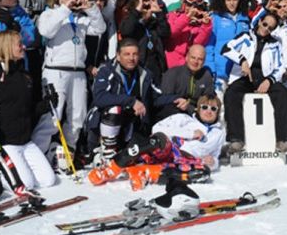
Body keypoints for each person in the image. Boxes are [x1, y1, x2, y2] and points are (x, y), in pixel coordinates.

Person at [0, 31, 58, 190]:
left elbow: (28, 110)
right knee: (26, 183)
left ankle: (13, 172)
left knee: (48, 180)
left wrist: (46, 105)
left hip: (25, 142)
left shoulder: (25, 76)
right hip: (4, 144)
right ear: (6, 47)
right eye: (19, 44)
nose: (24, 47)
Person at [93, 95, 225, 190]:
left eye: (213, 109)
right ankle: (113, 167)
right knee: (158, 139)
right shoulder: (184, 119)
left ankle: (146, 172)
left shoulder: (219, 133)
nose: (208, 111)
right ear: (198, 109)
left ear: (218, 112)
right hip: (169, 149)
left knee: (203, 173)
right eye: (205, 107)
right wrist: (190, 134)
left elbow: (215, 156)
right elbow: (157, 129)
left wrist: (213, 162)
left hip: (187, 160)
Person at [36, 0, 106, 152]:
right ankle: (39, 151)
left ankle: (69, 151)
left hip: (78, 72)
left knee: (78, 116)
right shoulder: (50, 14)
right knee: (52, 116)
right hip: (56, 71)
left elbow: (100, 29)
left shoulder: (81, 19)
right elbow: (46, 31)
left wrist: (91, 8)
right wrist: (64, 9)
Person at [86, 39, 172, 167]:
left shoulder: (144, 73)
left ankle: (122, 155)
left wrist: (177, 99)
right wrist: (131, 101)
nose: (131, 58)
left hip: (130, 125)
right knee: (114, 109)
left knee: (137, 153)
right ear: (118, 56)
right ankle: (106, 154)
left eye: (135, 54)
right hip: (102, 125)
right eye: (127, 54)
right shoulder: (106, 70)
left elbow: (155, 98)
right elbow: (100, 98)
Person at [222, 13, 287, 156]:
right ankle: (236, 139)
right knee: (231, 94)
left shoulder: (275, 43)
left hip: (265, 78)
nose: (266, 29)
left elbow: (280, 66)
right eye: (265, 24)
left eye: (271, 28)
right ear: (260, 21)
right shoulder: (246, 36)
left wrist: (270, 80)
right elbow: (226, 49)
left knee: (282, 93)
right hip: (245, 77)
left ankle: (284, 139)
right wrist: (242, 60)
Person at [119, 0, 171, 84]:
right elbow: (126, 30)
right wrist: (139, 13)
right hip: (136, 59)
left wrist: (159, 14)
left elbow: (165, 33)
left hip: (155, 59)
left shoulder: (159, 3)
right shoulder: (130, 1)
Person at [205, 0, 250, 91]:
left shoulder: (244, 19)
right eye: (228, 0)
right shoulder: (215, 18)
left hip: (238, 72)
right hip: (220, 71)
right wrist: (210, 69)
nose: (232, 3)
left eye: (235, 0)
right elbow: (209, 46)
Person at [155, 45, 215, 122]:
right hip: (173, 115)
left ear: (204, 62)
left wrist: (193, 109)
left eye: (200, 59)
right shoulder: (173, 73)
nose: (196, 62)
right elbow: (165, 99)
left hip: (195, 114)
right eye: (193, 57)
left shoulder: (206, 76)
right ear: (186, 57)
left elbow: (208, 99)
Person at [165, 0, 212, 69]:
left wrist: (206, 25)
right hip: (170, 60)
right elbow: (171, 32)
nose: (192, 9)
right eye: (189, 5)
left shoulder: (199, 23)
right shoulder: (173, 15)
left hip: (187, 63)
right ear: (184, 5)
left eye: (196, 7)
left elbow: (197, 44)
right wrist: (187, 18)